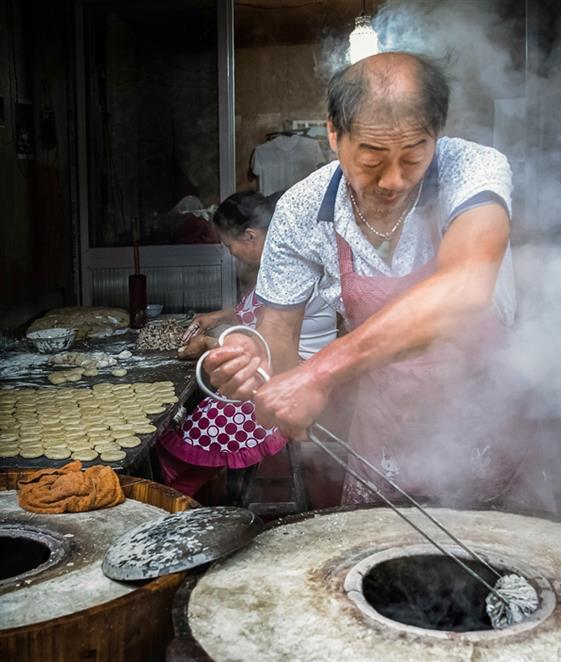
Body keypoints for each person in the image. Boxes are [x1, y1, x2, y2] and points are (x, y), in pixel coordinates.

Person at [202, 52, 526, 507]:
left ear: (437, 134)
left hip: (485, 414)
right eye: (372, 158)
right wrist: (258, 362)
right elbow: (278, 335)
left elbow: (463, 289)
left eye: (413, 156)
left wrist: (319, 372)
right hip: (387, 424)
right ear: (334, 134)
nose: (392, 181)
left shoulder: (472, 169)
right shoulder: (301, 210)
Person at [156, 190, 337, 497]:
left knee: (202, 421)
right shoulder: (280, 261)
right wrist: (218, 317)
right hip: (280, 364)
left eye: (230, 246)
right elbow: (256, 316)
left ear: (251, 237)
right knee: (205, 404)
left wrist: (207, 345)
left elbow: (267, 342)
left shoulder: (286, 267)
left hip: (292, 376)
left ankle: (180, 496)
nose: (231, 254)